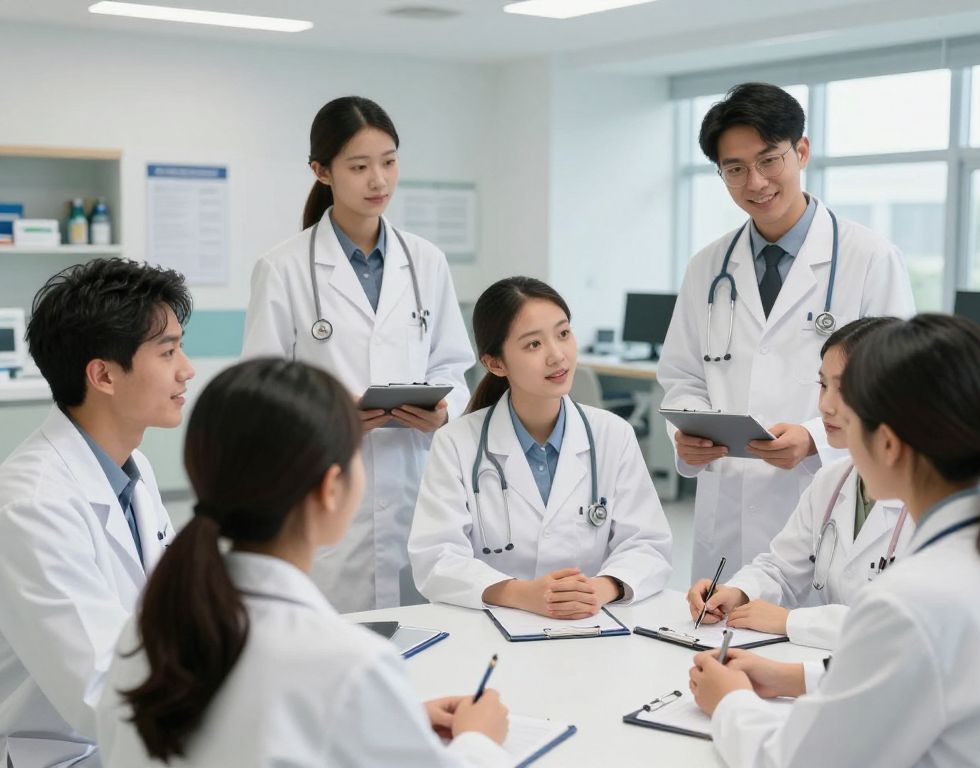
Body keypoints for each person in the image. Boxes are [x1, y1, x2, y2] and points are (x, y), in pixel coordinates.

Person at [97, 358, 511, 767]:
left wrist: (382, 721)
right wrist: (479, 741)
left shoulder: (146, 630)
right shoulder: (349, 664)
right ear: (331, 489)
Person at [688, 314, 980, 767]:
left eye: (851, 401)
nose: (829, 409)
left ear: (886, 443)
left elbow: (799, 761)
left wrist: (730, 702)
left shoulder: (913, 600)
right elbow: (911, 681)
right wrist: (795, 678)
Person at [658, 82, 915, 582]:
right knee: (716, 649)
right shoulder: (708, 268)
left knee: (814, 647)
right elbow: (683, 376)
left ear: (801, 152)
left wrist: (817, 439)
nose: (755, 182)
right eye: (734, 169)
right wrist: (686, 432)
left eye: (769, 160)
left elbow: (898, 388)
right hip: (726, 512)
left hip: (827, 500)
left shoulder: (869, 258)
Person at [242, 96, 475, 612]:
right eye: (359, 166)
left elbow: (453, 367)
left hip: (419, 483)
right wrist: (331, 414)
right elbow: (259, 389)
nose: (379, 181)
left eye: (389, 162)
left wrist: (442, 409)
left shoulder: (427, 262)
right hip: (326, 482)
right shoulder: (282, 268)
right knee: (336, 650)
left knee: (430, 641)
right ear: (321, 171)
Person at [0, 258, 193, 768]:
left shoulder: (133, 469)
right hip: (67, 754)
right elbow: (102, 692)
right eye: (168, 351)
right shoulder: (32, 504)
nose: (186, 369)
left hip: (135, 739)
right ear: (103, 375)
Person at [408, 277, 672, 617]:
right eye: (533, 345)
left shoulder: (613, 434)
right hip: (491, 629)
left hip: (591, 626)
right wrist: (523, 594)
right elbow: (436, 558)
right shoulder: (456, 443)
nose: (557, 356)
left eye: (563, 334)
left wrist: (600, 588)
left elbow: (648, 544)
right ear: (495, 363)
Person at [686, 316, 915, 650]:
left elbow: (906, 626)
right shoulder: (833, 481)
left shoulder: (930, 497)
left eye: (845, 389)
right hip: (834, 665)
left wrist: (790, 621)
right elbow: (780, 568)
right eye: (823, 386)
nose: (825, 405)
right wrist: (736, 593)